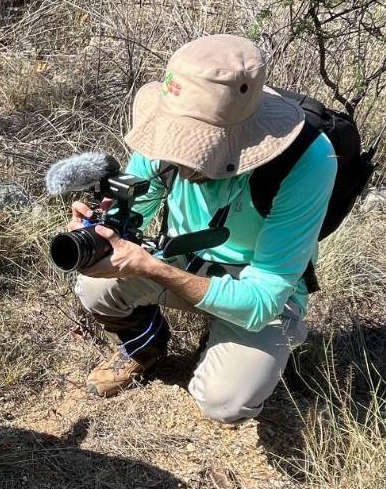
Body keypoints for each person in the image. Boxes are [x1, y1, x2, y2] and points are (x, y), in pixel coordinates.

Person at [71, 35, 337, 423]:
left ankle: (230, 345)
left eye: (195, 147)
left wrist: (152, 268)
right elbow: (137, 213)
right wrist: (101, 231)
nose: (177, 158)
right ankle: (145, 347)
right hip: (184, 255)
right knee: (94, 286)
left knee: (225, 401)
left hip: (257, 283)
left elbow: (262, 299)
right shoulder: (167, 127)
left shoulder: (309, 160)